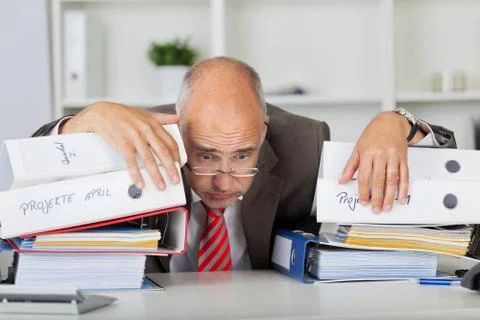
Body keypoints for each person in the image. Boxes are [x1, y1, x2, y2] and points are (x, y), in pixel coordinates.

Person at [32, 57, 455, 272]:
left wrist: (398, 123)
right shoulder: (138, 134)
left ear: (264, 130)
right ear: (179, 131)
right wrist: (79, 121)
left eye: (242, 156)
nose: (222, 181)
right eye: (204, 155)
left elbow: (443, 180)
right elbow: (35, 175)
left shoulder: (305, 143)